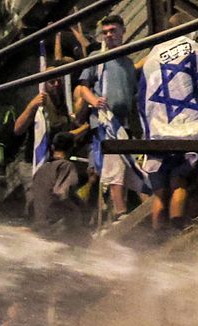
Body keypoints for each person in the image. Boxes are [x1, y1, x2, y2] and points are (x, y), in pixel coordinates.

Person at [138, 17, 198, 231]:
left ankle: (157, 241)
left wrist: (149, 132)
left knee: (160, 192)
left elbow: (142, 99)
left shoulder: (151, 58)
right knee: (179, 182)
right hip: (189, 130)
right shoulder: (197, 50)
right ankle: (176, 233)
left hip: (159, 133)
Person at [75, 14, 141, 217]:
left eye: (113, 30)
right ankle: (119, 212)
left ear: (123, 31)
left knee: (132, 166)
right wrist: (94, 101)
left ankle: (141, 207)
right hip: (105, 122)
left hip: (125, 122)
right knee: (114, 166)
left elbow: (133, 94)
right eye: (105, 32)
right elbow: (83, 87)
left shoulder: (129, 64)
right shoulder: (97, 57)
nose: (109, 35)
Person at [26, 132, 84, 236]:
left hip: (38, 224)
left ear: (52, 147)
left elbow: (31, 198)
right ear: (72, 148)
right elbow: (61, 193)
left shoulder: (42, 169)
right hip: (56, 226)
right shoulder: (67, 166)